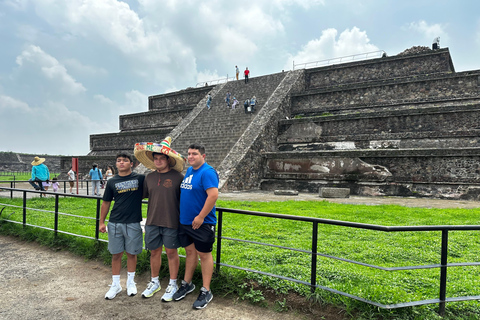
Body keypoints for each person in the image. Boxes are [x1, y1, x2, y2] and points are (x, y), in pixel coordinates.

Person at [134, 137, 186, 301]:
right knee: (154, 252)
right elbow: (140, 196)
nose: (158, 161)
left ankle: (172, 283)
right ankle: (155, 281)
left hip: (171, 221)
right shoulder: (149, 178)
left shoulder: (178, 177)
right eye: (155, 159)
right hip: (152, 221)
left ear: (168, 160)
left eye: (161, 158)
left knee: (171, 252)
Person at [173, 143, 219, 309]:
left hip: (202, 223)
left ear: (203, 156)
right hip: (185, 222)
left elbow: (213, 195)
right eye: (189, 154)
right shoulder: (190, 171)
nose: (191, 157)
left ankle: (206, 290)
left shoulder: (207, 172)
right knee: (190, 252)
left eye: (195, 154)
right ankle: (187, 283)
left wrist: (200, 216)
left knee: (204, 254)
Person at [99, 153, 145, 300]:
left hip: (133, 222)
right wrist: (101, 222)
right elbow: (106, 202)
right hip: (115, 222)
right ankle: (116, 284)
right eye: (118, 161)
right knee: (116, 254)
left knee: (132, 254)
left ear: (132, 164)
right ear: (116, 164)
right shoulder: (112, 182)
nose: (121, 163)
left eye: (125, 161)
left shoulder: (140, 179)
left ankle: (131, 282)